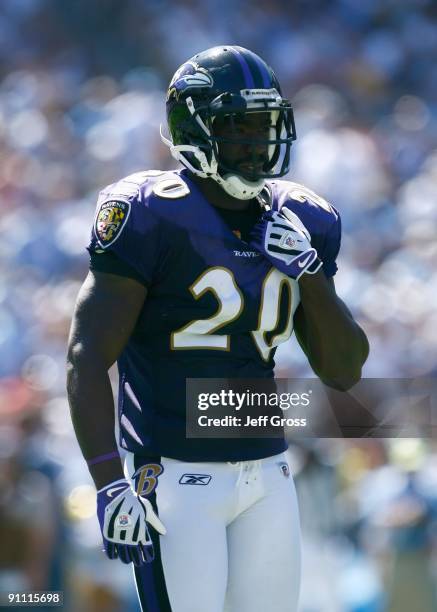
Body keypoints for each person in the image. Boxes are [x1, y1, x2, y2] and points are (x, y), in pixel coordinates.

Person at [67, 45, 369, 612]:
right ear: (195, 129)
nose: (258, 143)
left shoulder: (304, 218)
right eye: (239, 127)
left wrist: (312, 276)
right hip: (174, 475)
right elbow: (86, 355)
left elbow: (344, 368)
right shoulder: (148, 214)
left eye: (267, 126)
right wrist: (108, 479)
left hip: (270, 472)